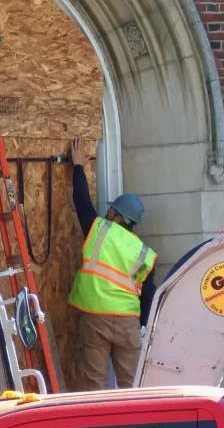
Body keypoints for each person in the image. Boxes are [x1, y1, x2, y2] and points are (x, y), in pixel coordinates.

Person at [67, 138, 158, 391]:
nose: (106, 215)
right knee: (132, 387)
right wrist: (141, 327)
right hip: (128, 323)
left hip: (96, 319)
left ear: (117, 217)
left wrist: (77, 167)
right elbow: (148, 295)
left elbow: (81, 202)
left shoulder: (99, 231)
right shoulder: (144, 252)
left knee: (96, 387)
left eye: (110, 212)